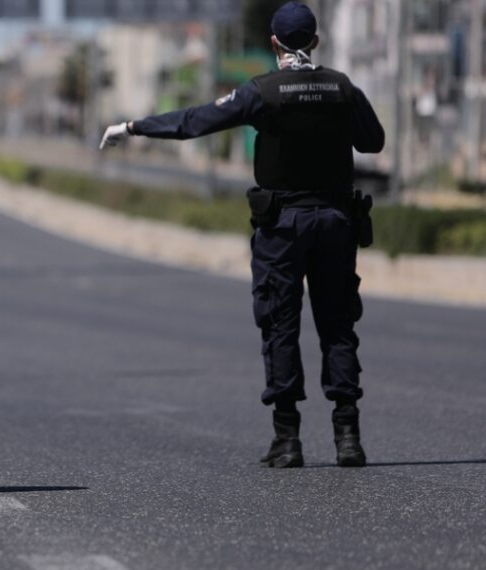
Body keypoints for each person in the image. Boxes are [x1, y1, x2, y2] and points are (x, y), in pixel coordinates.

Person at [100, 1, 384, 468]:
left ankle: (288, 440)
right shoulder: (342, 88)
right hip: (335, 223)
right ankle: (348, 436)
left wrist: (134, 127)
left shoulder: (263, 93)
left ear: (275, 44)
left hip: (282, 228)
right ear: (315, 40)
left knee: (280, 324)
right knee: (338, 326)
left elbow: (195, 122)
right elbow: (373, 142)